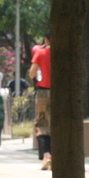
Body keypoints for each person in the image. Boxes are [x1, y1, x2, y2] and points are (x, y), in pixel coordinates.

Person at [29, 32, 52, 170]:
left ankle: (46, 155)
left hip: (43, 91)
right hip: (59, 92)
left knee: (42, 123)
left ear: (46, 39)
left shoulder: (40, 52)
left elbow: (32, 73)